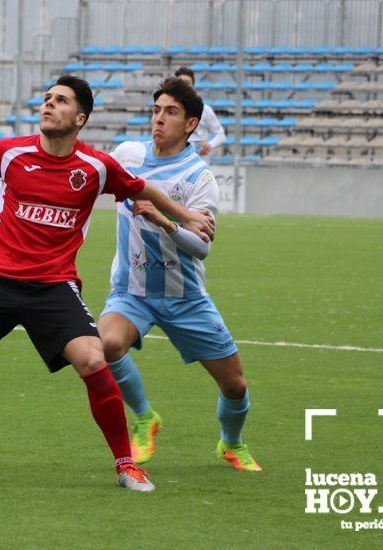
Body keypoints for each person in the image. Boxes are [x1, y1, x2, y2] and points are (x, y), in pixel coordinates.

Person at [0, 75, 215, 492]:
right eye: (46, 99)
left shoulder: (97, 167)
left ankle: (126, 465)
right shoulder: (11, 152)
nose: (48, 105)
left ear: (79, 117)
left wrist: (187, 217)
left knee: (94, 358)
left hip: (53, 285)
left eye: (60, 101)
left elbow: (140, 189)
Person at [100, 77, 261, 471]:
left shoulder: (199, 176)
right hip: (131, 291)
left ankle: (231, 443)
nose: (159, 119)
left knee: (235, 385)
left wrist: (166, 220)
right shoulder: (128, 154)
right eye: (156, 110)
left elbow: (202, 246)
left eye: (170, 112)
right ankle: (143, 417)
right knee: (105, 346)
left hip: (185, 296)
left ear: (191, 124)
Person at [174, 67, 226, 158]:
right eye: (180, 83)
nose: (183, 86)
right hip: (176, 165)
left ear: (193, 86)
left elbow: (221, 135)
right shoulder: (168, 111)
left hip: (199, 165)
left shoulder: (205, 110)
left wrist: (209, 145)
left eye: (187, 83)